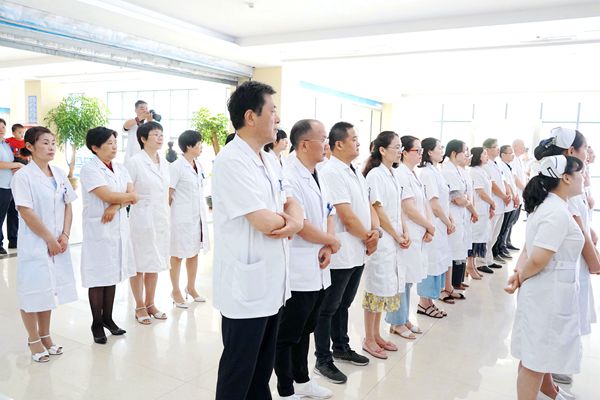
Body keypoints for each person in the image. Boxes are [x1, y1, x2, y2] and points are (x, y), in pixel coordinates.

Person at [212, 81, 304, 400]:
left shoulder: (269, 158)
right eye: (273, 110)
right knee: (238, 372)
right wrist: (293, 223)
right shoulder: (231, 161)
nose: (278, 118)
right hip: (246, 286)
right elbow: (263, 220)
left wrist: (294, 221)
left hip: (271, 282)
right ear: (251, 117)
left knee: (261, 371)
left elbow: (291, 199)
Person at [507, 155, 585, 400]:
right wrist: (521, 276)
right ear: (566, 178)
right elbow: (539, 258)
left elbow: (530, 249)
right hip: (546, 293)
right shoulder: (556, 212)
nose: (583, 177)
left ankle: (546, 393)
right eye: (580, 172)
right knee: (535, 360)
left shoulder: (552, 206)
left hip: (546, 291)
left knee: (534, 355)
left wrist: (519, 274)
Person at [531, 127, 600, 390]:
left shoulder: (571, 179)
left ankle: (549, 381)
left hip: (570, 263)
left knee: (564, 319)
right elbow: (578, 226)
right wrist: (595, 261)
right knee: (559, 322)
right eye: (585, 148)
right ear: (571, 151)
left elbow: (583, 221)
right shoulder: (564, 183)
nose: (588, 152)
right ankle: (550, 376)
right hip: (565, 263)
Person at [274, 119, 337, 400]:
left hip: (319, 264)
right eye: (322, 139)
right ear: (304, 144)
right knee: (288, 334)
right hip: (298, 267)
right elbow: (300, 224)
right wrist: (331, 241)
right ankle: (285, 391)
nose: (326, 144)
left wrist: (329, 244)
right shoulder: (289, 174)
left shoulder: (318, 172)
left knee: (306, 329)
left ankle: (303, 380)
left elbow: (329, 211)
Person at [314, 121, 379, 384]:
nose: (358, 142)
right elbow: (346, 215)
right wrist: (368, 237)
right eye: (353, 138)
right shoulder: (331, 172)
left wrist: (374, 233)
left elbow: (367, 206)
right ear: (338, 144)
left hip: (358, 249)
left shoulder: (354, 171)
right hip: (342, 250)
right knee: (328, 308)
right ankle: (323, 359)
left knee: (344, 303)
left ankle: (341, 347)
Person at [11, 126, 77, 362]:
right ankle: (33, 339)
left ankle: (46, 335)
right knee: (32, 291)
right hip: (35, 243)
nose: (51, 147)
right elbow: (26, 212)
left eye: (53, 142)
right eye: (45, 143)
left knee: (48, 291)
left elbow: (68, 205)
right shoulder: (23, 176)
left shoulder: (59, 173)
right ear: (30, 147)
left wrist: (65, 235)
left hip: (58, 242)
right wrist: (49, 238)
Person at [80, 127, 138, 344]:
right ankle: (96, 323)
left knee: (112, 274)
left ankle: (108, 319)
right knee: (98, 277)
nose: (114, 147)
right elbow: (107, 195)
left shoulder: (121, 168)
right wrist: (118, 200)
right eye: (109, 143)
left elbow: (133, 195)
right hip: (99, 229)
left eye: (115, 142)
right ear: (95, 147)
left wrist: (115, 206)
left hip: (118, 227)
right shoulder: (89, 169)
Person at [362, 131, 410, 357]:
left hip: (394, 238)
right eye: (396, 147)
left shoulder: (392, 174)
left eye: (401, 147)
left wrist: (404, 231)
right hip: (383, 240)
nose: (400, 151)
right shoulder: (375, 175)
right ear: (382, 150)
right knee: (375, 289)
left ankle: (377, 334)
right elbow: (378, 209)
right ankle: (368, 338)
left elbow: (398, 207)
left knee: (385, 290)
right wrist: (396, 235)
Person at [387, 136, 436, 332]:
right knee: (402, 278)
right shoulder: (401, 174)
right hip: (407, 234)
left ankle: (404, 318)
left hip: (418, 233)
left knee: (408, 280)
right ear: (405, 153)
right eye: (417, 150)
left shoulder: (413, 174)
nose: (421, 154)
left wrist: (429, 226)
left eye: (422, 150)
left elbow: (423, 203)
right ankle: (396, 322)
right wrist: (429, 226)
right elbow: (409, 208)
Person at [126, 121, 170, 325]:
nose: (160, 137)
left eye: (161, 134)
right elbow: (128, 191)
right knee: (139, 264)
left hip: (161, 218)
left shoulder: (164, 162)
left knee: (155, 262)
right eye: (155, 134)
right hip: (142, 218)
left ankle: (151, 303)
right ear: (143, 139)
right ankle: (139, 305)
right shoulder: (135, 162)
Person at [168, 130, 210, 308]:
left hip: (196, 218)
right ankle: (175, 291)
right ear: (189, 146)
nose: (201, 147)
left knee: (194, 253)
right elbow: (168, 194)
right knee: (177, 254)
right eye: (199, 144)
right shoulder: (176, 167)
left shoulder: (198, 165)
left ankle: (191, 287)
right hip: (180, 218)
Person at [417, 138, 454, 312]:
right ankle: (423, 303)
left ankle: (430, 301)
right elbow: (434, 204)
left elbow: (444, 201)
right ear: (430, 152)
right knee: (431, 263)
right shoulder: (427, 173)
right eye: (439, 148)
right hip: (434, 224)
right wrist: (448, 222)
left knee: (439, 261)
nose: (442, 150)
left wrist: (449, 218)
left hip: (441, 224)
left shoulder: (435, 171)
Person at [441, 140, 470, 298]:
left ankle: (449, 286)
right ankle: (446, 287)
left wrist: (465, 200)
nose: (466, 155)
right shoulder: (448, 171)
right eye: (464, 151)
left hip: (458, 215)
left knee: (453, 252)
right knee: (449, 253)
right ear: (454, 153)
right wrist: (466, 201)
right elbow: (458, 198)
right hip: (452, 215)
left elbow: (461, 196)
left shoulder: (456, 170)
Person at [479, 138, 510, 271]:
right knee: (487, 234)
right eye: (495, 147)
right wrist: (503, 196)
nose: (498, 149)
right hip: (493, 204)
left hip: (501, 205)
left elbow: (502, 181)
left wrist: (507, 194)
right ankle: (481, 261)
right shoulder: (485, 166)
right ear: (487, 149)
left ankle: (489, 259)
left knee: (494, 235)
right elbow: (493, 185)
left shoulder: (495, 164)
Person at [469, 147, 496, 276]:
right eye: (484, 154)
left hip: (484, 208)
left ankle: (473, 265)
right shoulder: (474, 171)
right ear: (478, 156)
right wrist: (492, 202)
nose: (487, 156)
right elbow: (480, 191)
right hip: (478, 209)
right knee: (474, 238)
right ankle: (470, 266)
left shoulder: (482, 170)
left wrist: (490, 205)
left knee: (480, 238)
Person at [0, 118, 23, 253]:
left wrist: (16, 166)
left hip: (11, 184)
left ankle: (14, 241)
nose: (1, 129)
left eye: (3, 127)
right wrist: (16, 164)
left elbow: (11, 160)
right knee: (0, 215)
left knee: (14, 213)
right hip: (1, 185)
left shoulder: (6, 144)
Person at [493, 145, 518, 260]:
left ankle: (500, 248)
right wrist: (510, 196)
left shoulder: (507, 166)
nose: (512, 155)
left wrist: (515, 196)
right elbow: (505, 183)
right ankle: (496, 250)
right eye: (510, 153)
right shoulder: (500, 165)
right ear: (503, 155)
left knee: (505, 228)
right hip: (505, 201)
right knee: (500, 229)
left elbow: (510, 183)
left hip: (510, 201)